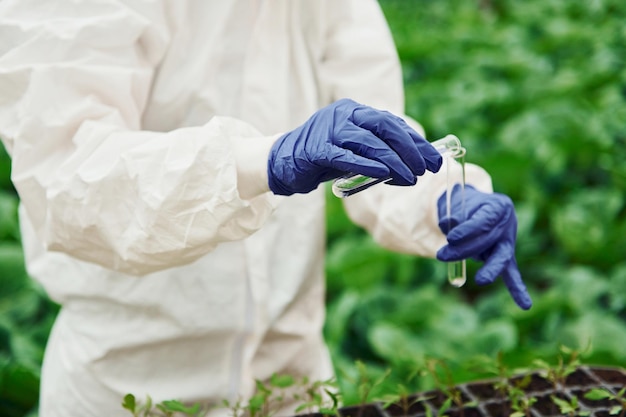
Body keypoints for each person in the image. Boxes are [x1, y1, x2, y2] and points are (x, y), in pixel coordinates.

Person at [0, 1, 531, 416]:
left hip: (293, 372)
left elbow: (375, 125)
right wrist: (257, 164)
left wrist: (443, 197)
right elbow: (68, 177)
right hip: (133, 384)